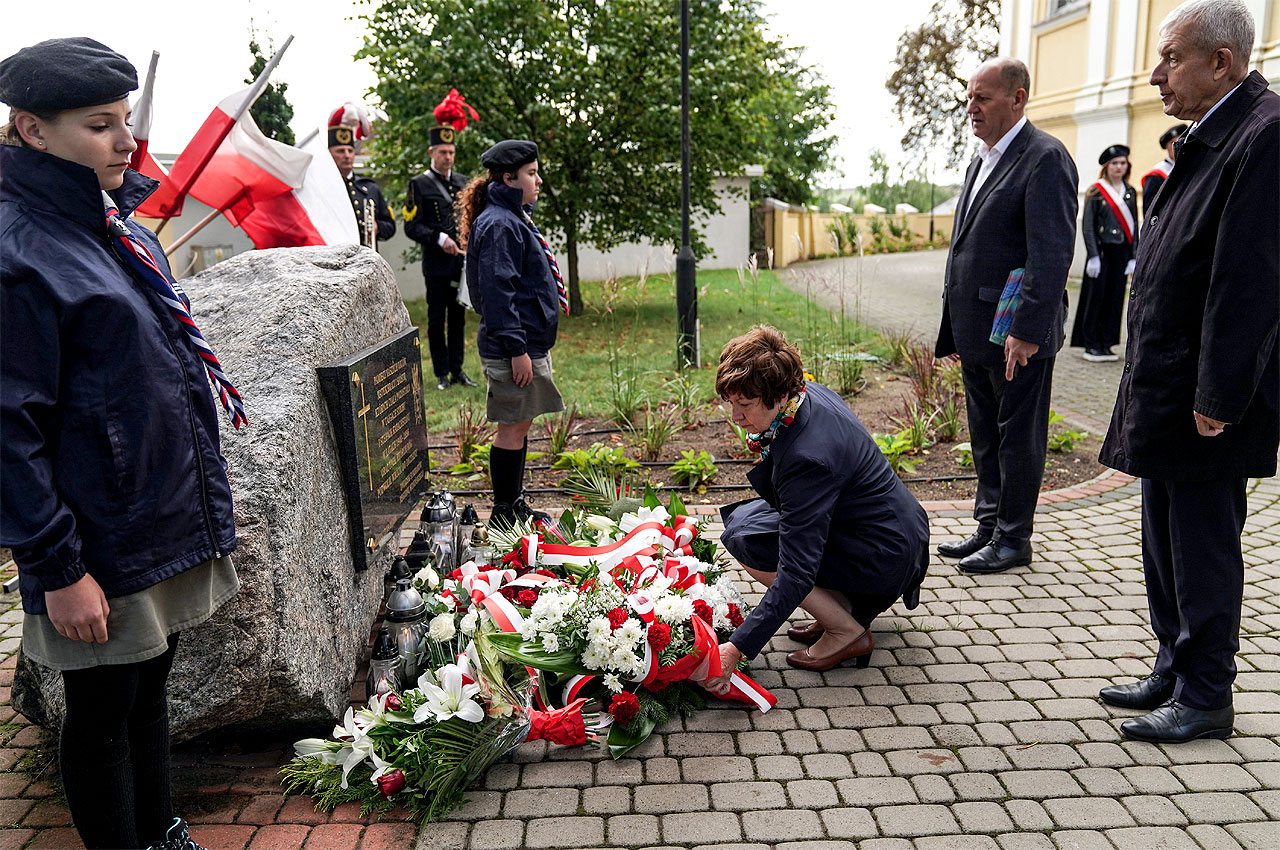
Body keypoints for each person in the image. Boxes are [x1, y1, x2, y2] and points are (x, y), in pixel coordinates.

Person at [0, 38, 242, 849]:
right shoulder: (18, 251)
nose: (126, 141)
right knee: (102, 713)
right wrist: (58, 566)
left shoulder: (107, 223)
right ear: (32, 132)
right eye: (100, 125)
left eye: (126, 120)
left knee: (147, 691)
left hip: (146, 516)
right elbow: (9, 428)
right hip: (91, 536)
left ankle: (162, 832)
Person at [1098, 0, 1278, 745]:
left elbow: (1251, 282)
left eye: (1170, 58)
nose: (1155, 73)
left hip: (1206, 394)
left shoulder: (1265, 136)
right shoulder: (1217, 133)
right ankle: (1175, 663)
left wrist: (1217, 395)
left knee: (1202, 543)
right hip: (1168, 380)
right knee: (1164, 533)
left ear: (1221, 63)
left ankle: (1208, 693)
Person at [701, 327, 928, 686]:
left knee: (753, 544)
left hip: (883, 553)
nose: (735, 415)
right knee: (744, 524)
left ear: (777, 395)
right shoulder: (805, 391)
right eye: (732, 403)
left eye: (744, 405)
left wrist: (737, 648)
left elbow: (796, 570)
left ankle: (845, 631)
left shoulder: (809, 459)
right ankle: (836, 608)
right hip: (891, 529)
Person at [933, 57, 1079, 574]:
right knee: (986, 434)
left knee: (1019, 437)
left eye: (983, 98)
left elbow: (1051, 255)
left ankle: (1014, 539)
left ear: (1017, 98)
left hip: (1017, 335)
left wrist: (1026, 330)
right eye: (969, 97)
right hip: (977, 330)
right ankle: (989, 524)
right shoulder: (982, 158)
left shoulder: (1045, 158)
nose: (971, 107)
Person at [457, 139, 569, 528]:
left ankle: (513, 503)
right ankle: (504, 512)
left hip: (525, 342)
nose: (538, 180)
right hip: (513, 347)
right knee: (512, 425)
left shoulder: (513, 216)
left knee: (520, 423)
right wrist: (517, 349)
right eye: (531, 173)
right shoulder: (501, 223)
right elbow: (496, 292)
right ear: (509, 177)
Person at [405, 93, 475, 391]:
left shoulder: (462, 182)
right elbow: (411, 226)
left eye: (451, 152)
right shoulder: (418, 185)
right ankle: (441, 374)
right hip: (436, 263)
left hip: (459, 261)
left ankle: (459, 370)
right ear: (431, 152)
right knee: (436, 319)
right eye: (442, 152)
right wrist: (439, 237)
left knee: (458, 317)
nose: (448, 157)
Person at [1071, 145, 1138, 362]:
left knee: (1115, 298)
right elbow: (1088, 226)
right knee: (1096, 298)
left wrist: (1133, 256)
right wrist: (1092, 255)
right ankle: (1091, 343)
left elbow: (1134, 226)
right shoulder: (1096, 191)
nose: (1119, 167)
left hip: (1120, 253)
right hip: (1101, 253)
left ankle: (1107, 343)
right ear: (1106, 167)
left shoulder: (1129, 192)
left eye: (1122, 163)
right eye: (1115, 163)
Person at [327, 103, 395, 247]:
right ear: (330, 155)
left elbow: (389, 226)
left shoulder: (370, 187)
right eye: (340, 151)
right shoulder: (325, 188)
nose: (346, 156)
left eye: (350, 151)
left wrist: (377, 227)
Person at [1140, 123, 1188, 211]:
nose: (1178, 146)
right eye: (1173, 143)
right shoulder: (1155, 176)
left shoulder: (1192, 167)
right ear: (1166, 147)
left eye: (1181, 140)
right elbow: (1150, 210)